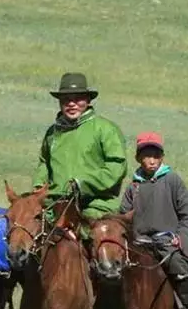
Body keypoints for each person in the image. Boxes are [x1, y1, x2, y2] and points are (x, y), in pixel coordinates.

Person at [120, 132, 188, 309]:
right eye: (146, 156)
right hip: (139, 242)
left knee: (177, 263)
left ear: (161, 157)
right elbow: (123, 216)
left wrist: (182, 237)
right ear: (138, 158)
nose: (151, 160)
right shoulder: (133, 186)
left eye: (155, 155)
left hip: (166, 241)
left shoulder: (172, 180)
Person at [33, 72, 127, 222]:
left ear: (88, 100)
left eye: (78, 99)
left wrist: (83, 184)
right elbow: (44, 162)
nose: (71, 104)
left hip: (96, 205)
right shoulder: (52, 133)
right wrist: (39, 186)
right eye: (66, 100)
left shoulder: (105, 129)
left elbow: (116, 167)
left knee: (99, 239)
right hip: (56, 205)